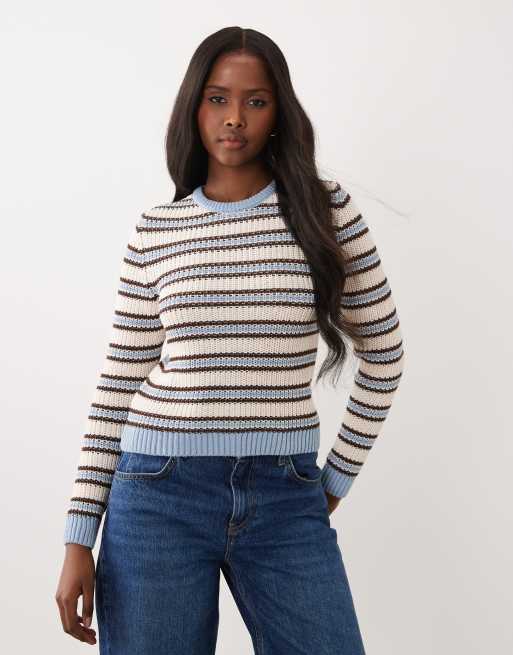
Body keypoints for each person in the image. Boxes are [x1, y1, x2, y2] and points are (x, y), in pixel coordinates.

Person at [55, 26, 405, 654]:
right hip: (156, 496)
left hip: (285, 496)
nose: (235, 117)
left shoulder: (326, 213)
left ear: (279, 113)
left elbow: (385, 355)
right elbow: (117, 387)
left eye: (256, 101)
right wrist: (79, 536)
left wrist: (333, 482)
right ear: (194, 108)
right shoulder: (157, 231)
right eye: (217, 98)